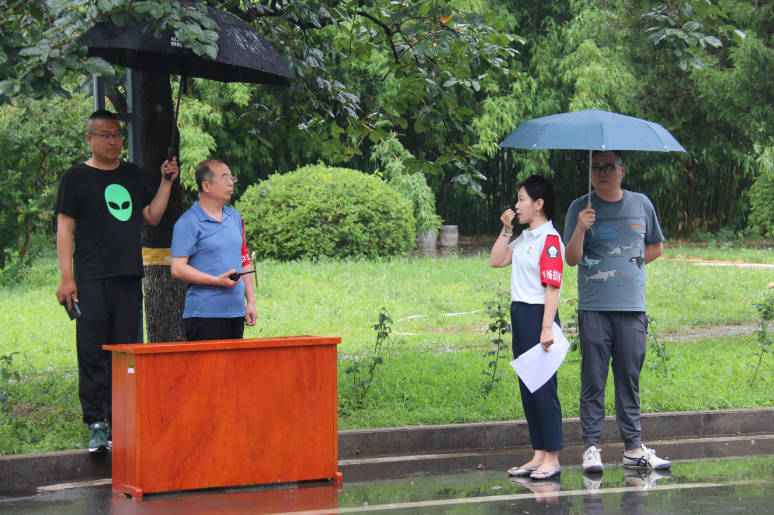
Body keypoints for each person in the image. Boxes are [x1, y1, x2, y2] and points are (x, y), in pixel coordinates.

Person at [55, 110, 179, 453]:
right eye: (106, 135)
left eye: (118, 135)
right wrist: (66, 278)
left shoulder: (131, 173)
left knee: (125, 354)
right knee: (93, 353)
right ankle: (96, 424)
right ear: (90, 139)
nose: (114, 141)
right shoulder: (75, 177)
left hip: (128, 276)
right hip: (90, 278)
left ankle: (121, 422)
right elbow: (65, 228)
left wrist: (166, 181)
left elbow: (152, 216)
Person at [564, 150, 671, 473]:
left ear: (623, 170)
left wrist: (627, 266)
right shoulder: (579, 207)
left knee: (629, 380)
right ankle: (591, 448)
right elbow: (571, 258)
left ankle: (634, 449)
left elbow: (656, 247)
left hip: (632, 308)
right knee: (593, 380)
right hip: (594, 308)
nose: (602, 173)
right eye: (596, 167)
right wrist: (580, 228)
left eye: (609, 167)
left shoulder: (641, 204)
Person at [490, 175, 565, 480]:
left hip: (539, 316)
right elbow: (496, 260)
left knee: (544, 389)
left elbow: (553, 287)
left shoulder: (550, 240)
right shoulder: (525, 238)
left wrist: (547, 328)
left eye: (522, 199)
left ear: (539, 204)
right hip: (520, 314)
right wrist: (506, 230)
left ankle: (553, 457)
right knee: (528, 387)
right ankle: (538, 454)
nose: (517, 205)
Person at [170, 159, 256, 341]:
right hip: (204, 314)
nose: (231, 183)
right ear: (206, 186)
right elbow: (177, 269)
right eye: (225, 178)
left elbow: (244, 259)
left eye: (232, 178)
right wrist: (217, 281)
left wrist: (251, 302)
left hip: (236, 311)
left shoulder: (234, 216)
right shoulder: (187, 222)